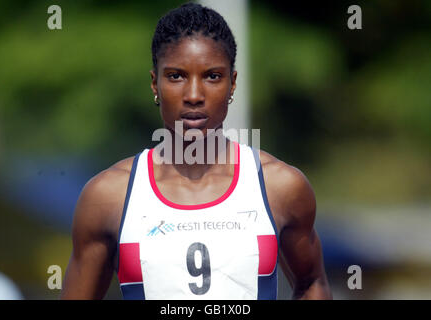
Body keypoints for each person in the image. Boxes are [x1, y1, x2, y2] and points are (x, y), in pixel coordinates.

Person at [61, 2, 332, 300]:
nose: (193, 95)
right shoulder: (109, 196)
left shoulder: (279, 187)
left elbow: (311, 283)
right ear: (155, 84)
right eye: (176, 76)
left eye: (212, 76)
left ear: (232, 84)